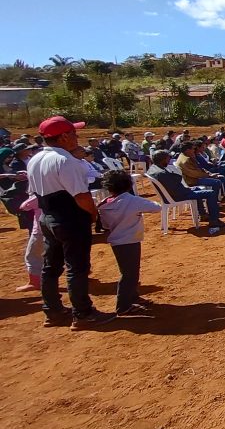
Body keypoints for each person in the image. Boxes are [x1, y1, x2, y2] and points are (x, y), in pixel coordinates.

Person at [28, 116, 115, 329]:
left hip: (47, 216)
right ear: (65, 136)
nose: (77, 137)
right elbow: (81, 196)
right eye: (74, 134)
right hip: (70, 218)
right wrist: (93, 215)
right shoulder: (65, 161)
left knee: (50, 267)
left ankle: (52, 311)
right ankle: (83, 313)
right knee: (77, 267)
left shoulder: (35, 159)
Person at [96, 170, 161, 316]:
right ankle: (123, 306)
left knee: (129, 271)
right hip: (130, 240)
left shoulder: (104, 204)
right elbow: (157, 207)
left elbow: (105, 226)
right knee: (129, 274)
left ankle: (133, 297)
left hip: (117, 241)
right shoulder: (132, 200)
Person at [148, 150, 225, 234]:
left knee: (199, 189)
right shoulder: (162, 173)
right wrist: (189, 189)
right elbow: (177, 188)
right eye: (168, 158)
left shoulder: (153, 169)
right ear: (163, 159)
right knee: (211, 193)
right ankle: (214, 221)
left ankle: (203, 214)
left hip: (175, 193)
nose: (169, 160)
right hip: (179, 195)